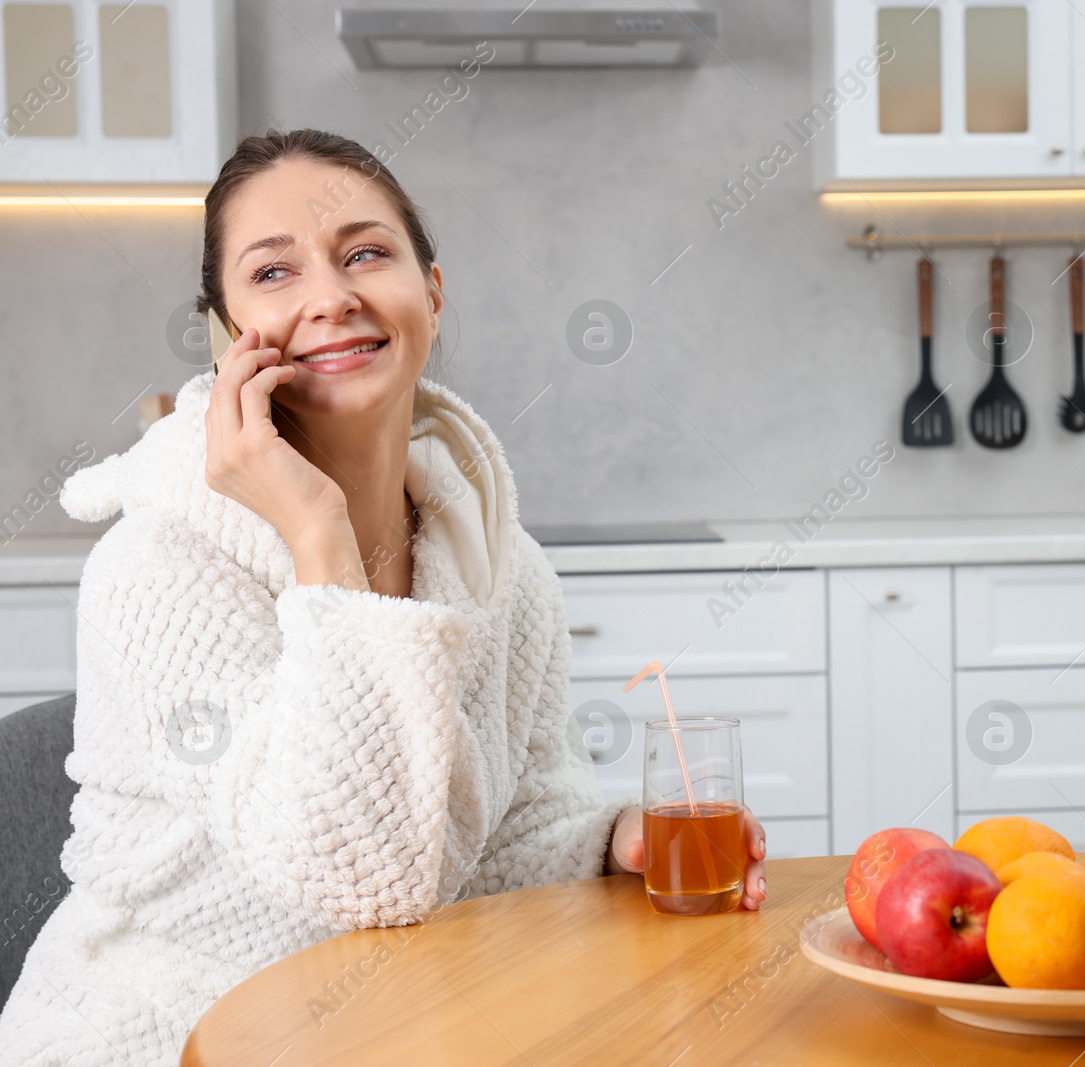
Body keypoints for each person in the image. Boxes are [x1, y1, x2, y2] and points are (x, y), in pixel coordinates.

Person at [0, 128, 766, 1067]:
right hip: (173, 1037)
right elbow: (359, 877)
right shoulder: (158, 570)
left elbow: (493, 841)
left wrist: (610, 844)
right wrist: (319, 531)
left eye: (365, 252)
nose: (330, 296)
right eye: (273, 273)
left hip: (401, 1029)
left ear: (431, 298)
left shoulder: (500, 564)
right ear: (230, 333)